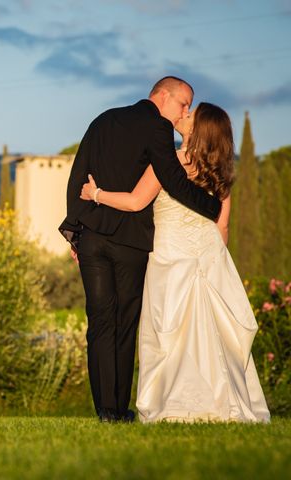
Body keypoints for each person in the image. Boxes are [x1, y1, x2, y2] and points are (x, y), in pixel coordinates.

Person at [79, 102, 270, 423]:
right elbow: (222, 227)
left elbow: (137, 200)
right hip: (208, 254)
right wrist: (213, 262)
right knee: (211, 332)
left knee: (168, 331)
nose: (183, 115)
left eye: (190, 115)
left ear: (197, 130)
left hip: (169, 255)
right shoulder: (222, 170)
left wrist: (96, 194)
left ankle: (172, 403)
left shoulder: (170, 162)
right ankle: (221, 401)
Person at [58, 76, 222, 422]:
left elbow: (77, 179)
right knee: (124, 324)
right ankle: (118, 409)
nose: (185, 112)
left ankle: (104, 411)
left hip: (92, 237)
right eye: (183, 104)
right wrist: (211, 207)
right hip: (129, 243)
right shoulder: (157, 128)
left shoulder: (102, 119)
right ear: (163, 97)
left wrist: (75, 231)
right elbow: (173, 180)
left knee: (100, 322)